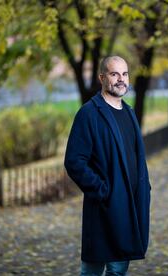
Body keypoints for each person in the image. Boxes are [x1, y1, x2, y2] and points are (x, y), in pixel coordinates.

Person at [64, 56, 151, 276]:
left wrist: (144, 188)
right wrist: (103, 190)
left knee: (118, 271)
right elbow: (74, 161)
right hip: (104, 208)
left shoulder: (129, 113)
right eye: (114, 74)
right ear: (102, 77)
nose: (121, 79)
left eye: (125, 74)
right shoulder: (89, 113)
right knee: (92, 271)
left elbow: (136, 157)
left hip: (129, 208)